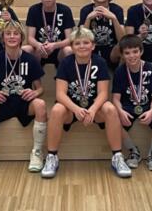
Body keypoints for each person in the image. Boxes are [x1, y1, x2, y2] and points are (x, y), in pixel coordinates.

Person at [41, 27, 131, 179]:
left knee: (110, 108)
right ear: (72, 47)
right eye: (77, 43)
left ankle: (117, 157)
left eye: (85, 42)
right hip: (71, 108)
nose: (82, 46)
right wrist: (76, 109)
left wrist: (94, 109)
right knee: (56, 110)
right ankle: (52, 157)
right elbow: (60, 94)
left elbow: (103, 92)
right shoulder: (66, 63)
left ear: (93, 45)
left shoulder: (100, 62)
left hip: (94, 109)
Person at [0, 20, 47, 173]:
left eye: (15, 33)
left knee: (41, 104)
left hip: (24, 102)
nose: (11, 37)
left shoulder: (30, 59)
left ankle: (37, 152)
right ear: (2, 38)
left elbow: (40, 88)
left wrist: (35, 93)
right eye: (8, 34)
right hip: (4, 101)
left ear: (21, 37)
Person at [112, 35, 152, 170]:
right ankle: (133, 152)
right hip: (128, 107)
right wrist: (120, 111)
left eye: (135, 52)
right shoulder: (120, 71)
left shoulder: (150, 69)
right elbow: (115, 99)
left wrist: (151, 111)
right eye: (127, 53)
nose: (132, 56)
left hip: (149, 106)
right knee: (113, 119)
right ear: (122, 55)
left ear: (141, 51)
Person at [23, 0, 74, 66]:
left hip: (58, 49)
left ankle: (66, 77)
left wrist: (54, 45)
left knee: (68, 50)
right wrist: (38, 45)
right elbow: (30, 38)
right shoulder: (33, 10)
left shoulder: (65, 10)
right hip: (39, 50)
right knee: (26, 49)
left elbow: (69, 39)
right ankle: (30, 78)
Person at [78, 0, 125, 68]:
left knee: (124, 46)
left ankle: (121, 78)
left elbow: (122, 39)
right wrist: (88, 19)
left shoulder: (117, 9)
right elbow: (81, 38)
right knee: (79, 46)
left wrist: (114, 18)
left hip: (112, 51)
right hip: (91, 49)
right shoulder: (85, 10)